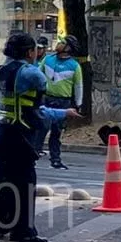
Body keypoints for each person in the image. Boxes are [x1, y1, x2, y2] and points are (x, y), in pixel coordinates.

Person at [0, 32, 79, 242]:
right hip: (20, 136)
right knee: (23, 185)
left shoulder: (0, 71)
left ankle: (15, 231)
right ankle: (0, 232)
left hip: (0, 133)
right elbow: (37, 110)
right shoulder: (31, 74)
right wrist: (63, 113)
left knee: (6, 183)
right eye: (35, 50)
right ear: (29, 52)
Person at [41, 36, 84, 170]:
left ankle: (55, 159)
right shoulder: (48, 59)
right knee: (40, 130)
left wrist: (78, 104)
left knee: (56, 132)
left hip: (63, 101)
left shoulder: (74, 66)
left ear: (68, 48)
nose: (59, 44)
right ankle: (33, 155)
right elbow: (38, 75)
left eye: (63, 43)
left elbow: (78, 86)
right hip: (46, 98)